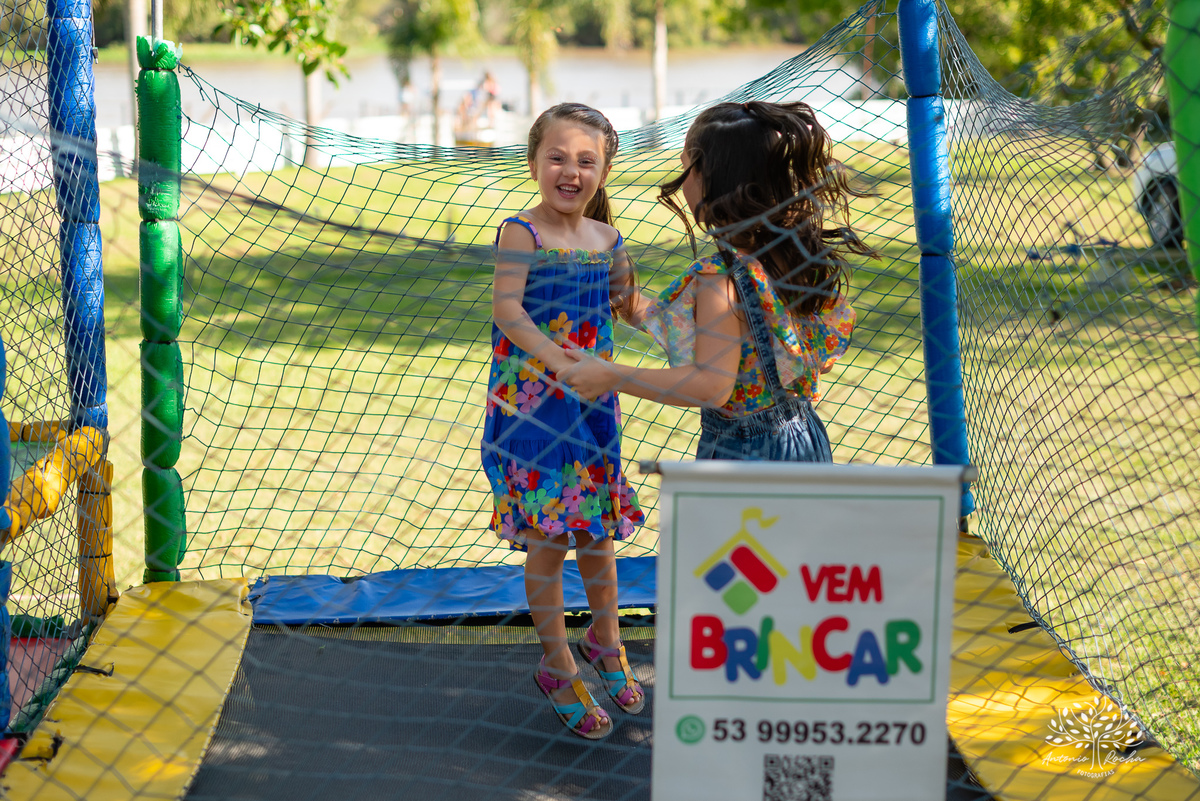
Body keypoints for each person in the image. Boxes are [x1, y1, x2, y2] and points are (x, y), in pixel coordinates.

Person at [559, 100, 874, 462]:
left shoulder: (718, 279)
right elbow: (781, 352)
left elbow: (711, 386)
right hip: (803, 440)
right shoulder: (788, 258)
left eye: (685, 168)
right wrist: (627, 301)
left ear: (705, 175)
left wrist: (611, 375)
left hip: (746, 454)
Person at [482, 102, 645, 741]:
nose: (570, 172)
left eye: (586, 161)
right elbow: (507, 310)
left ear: (604, 170)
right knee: (550, 542)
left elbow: (630, 304)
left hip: (592, 408)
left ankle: (607, 642)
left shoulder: (608, 241)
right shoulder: (521, 232)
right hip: (534, 410)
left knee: (598, 536)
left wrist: (695, 328)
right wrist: (557, 361)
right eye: (557, 158)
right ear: (533, 162)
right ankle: (557, 664)